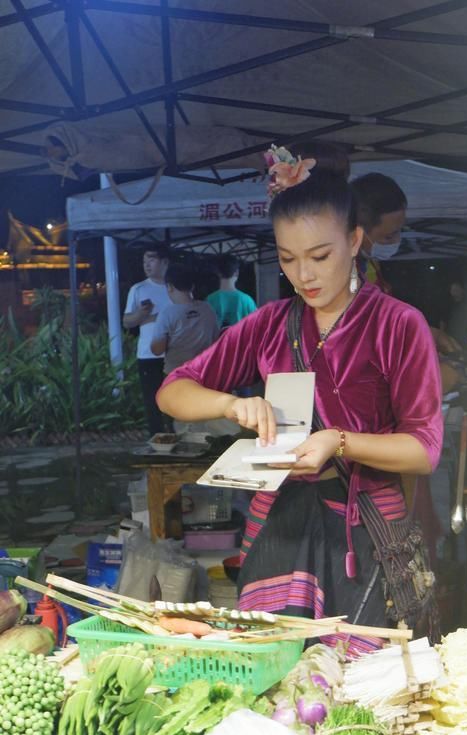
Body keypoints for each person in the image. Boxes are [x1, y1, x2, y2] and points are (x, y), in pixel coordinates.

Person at [157, 150, 443, 650]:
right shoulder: (269, 324)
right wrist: (229, 404)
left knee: (364, 691)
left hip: (367, 532)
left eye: (320, 256)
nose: (304, 275)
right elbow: (173, 392)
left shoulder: (397, 324)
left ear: (354, 241)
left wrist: (339, 441)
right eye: (288, 259)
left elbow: (424, 450)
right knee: (277, 677)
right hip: (279, 528)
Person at [351, 172, 462, 359]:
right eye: (388, 236)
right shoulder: (340, 272)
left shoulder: (368, 263)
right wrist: (418, 333)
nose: (397, 240)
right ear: (357, 232)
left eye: (399, 231)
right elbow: (361, 327)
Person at [123, 244, 173, 436]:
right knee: (152, 399)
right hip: (148, 354)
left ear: (165, 262)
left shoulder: (175, 287)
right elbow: (127, 321)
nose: (147, 265)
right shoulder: (139, 289)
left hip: (174, 354)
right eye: (144, 261)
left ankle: (176, 434)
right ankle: (157, 438)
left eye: (151, 260)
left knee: (175, 397)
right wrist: (142, 314)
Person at [150, 263, 220, 374]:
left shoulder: (167, 313)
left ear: (169, 286)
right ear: (192, 286)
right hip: (205, 371)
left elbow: (157, 350)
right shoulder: (207, 308)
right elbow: (216, 339)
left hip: (178, 374)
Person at [206, 253, 256, 329]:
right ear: (236, 273)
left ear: (218, 273)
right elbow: (256, 326)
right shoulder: (247, 300)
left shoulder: (209, 300)